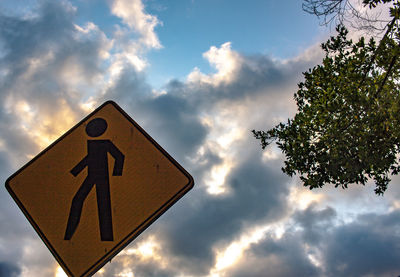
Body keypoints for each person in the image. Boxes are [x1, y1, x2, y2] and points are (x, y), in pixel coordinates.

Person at [64, 118, 124, 241]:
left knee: (103, 205)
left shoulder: (106, 143)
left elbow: (119, 156)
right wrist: (75, 171)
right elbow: (89, 158)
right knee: (77, 200)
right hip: (91, 176)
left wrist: (116, 174)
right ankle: (68, 236)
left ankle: (106, 237)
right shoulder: (91, 144)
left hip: (102, 177)